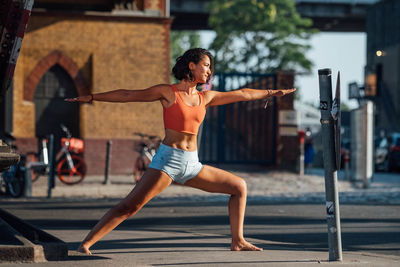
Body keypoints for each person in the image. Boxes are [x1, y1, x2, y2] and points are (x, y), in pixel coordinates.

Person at [66, 48, 295, 254]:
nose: (209, 71)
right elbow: (129, 95)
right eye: (205, 65)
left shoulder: (206, 97)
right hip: (167, 162)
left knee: (239, 187)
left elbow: (243, 93)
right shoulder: (168, 92)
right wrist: (92, 97)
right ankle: (86, 244)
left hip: (192, 164)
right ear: (191, 65)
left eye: (210, 67)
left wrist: (272, 92)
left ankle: (238, 240)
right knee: (130, 206)